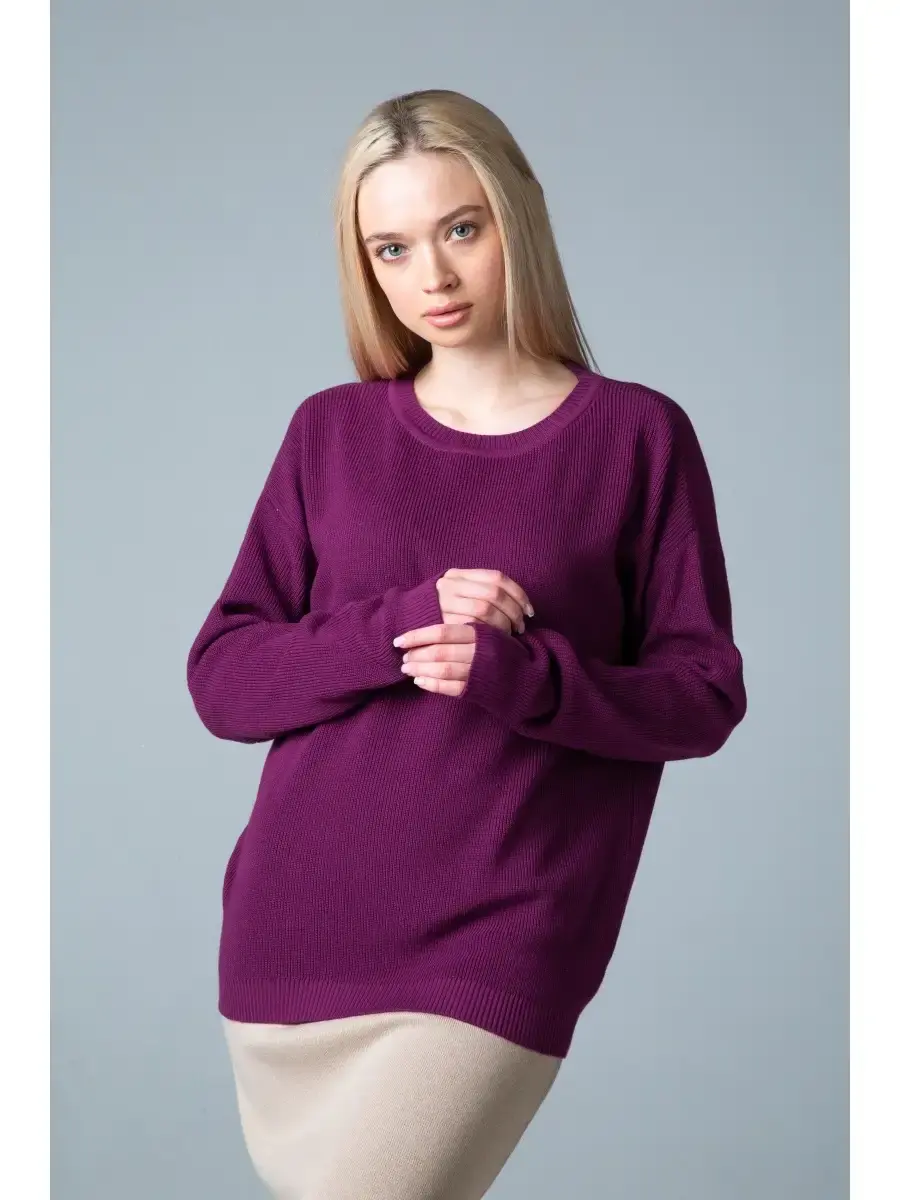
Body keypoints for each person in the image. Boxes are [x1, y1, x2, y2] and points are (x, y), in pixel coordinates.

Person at [186, 88, 747, 1200]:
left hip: (501, 931)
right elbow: (225, 682)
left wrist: (526, 680)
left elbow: (701, 694)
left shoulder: (635, 436)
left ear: (517, 216)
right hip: (295, 927)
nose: (432, 277)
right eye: (391, 248)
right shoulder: (330, 433)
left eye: (460, 229)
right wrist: (399, 622)